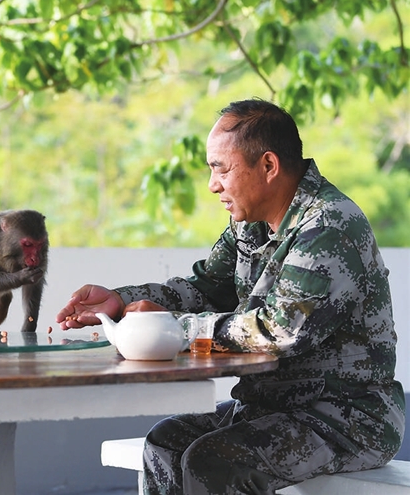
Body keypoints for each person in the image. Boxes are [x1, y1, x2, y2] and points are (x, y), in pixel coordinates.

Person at [56, 98, 405, 494]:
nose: (213, 184)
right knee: (165, 443)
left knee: (213, 461)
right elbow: (206, 288)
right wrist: (121, 302)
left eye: (221, 168)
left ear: (268, 166)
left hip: (346, 417)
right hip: (272, 407)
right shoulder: (251, 223)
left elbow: (277, 332)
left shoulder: (329, 225)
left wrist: (173, 328)